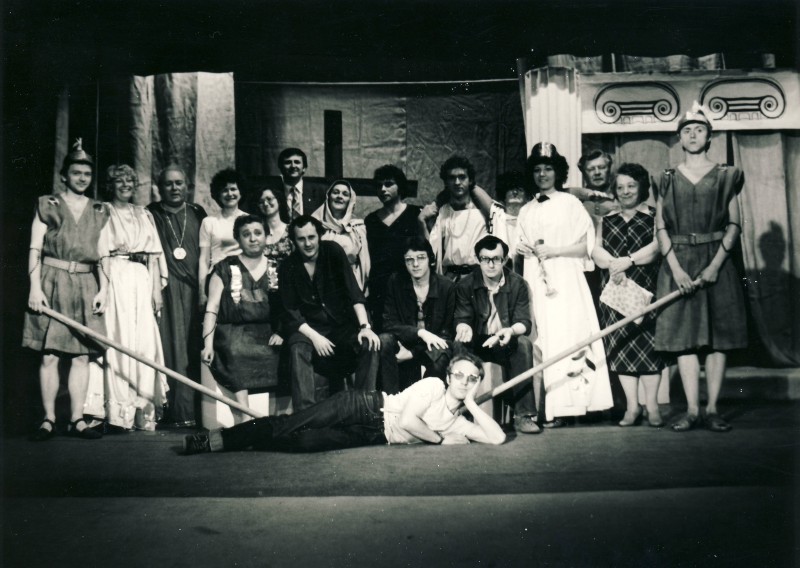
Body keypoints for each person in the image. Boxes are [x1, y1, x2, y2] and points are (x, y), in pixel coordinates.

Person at [182, 352, 506, 454]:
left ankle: (253, 440)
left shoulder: (458, 422)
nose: (464, 382)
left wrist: (472, 405)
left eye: (472, 378)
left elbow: (497, 438)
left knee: (305, 443)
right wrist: (440, 440)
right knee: (288, 424)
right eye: (459, 375)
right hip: (364, 405)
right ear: (449, 376)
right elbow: (409, 421)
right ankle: (214, 441)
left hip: (373, 434)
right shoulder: (434, 386)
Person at [654, 104, 746, 433]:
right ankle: (692, 410)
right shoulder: (665, 178)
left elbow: (734, 225)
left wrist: (715, 266)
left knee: (718, 339)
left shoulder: (726, 175)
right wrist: (677, 270)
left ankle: (713, 409)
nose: (693, 135)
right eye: (687, 130)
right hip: (678, 262)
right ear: (679, 138)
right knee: (684, 339)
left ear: (709, 137)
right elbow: (661, 227)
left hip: (716, 261)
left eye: (699, 130)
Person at [516, 142, 613, 425]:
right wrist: (521, 248)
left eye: (548, 168)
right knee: (542, 338)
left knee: (567, 334)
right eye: (537, 169)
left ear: (557, 172)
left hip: (567, 279)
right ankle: (547, 408)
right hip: (536, 279)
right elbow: (520, 242)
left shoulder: (570, 203)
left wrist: (555, 250)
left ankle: (575, 406)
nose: (542, 174)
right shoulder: (526, 210)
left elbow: (586, 245)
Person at [23, 138, 108, 440]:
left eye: (87, 173)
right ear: (64, 175)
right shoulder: (48, 204)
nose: (82, 178)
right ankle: (48, 419)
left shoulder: (100, 209)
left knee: (81, 356)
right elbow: (35, 249)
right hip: (52, 281)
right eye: (76, 173)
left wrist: (103, 290)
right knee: (50, 355)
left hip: (86, 284)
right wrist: (35, 288)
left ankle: (77, 419)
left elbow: (104, 256)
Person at [278, 215, 380, 410]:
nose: (308, 243)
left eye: (311, 237)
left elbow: (354, 292)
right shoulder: (288, 266)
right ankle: (306, 414)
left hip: (341, 328)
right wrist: (315, 337)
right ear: (294, 241)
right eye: (301, 239)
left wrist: (365, 327)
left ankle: (364, 407)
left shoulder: (333, 251)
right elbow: (290, 312)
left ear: (319, 236)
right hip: (309, 330)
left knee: (369, 342)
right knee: (297, 346)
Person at [96, 164, 169, 431]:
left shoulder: (143, 214)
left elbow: (154, 256)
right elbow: (101, 254)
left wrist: (156, 292)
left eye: (130, 180)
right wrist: (104, 288)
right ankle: (119, 412)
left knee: (144, 342)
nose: (126, 184)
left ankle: (142, 408)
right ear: (110, 185)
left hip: (141, 277)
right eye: (119, 180)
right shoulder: (103, 211)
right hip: (116, 276)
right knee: (120, 337)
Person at [592, 163, 665, 427]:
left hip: (646, 291)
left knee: (648, 348)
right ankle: (633, 407)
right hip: (615, 292)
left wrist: (629, 261)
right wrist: (613, 265)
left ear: (641, 187)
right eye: (620, 187)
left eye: (631, 186)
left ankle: (652, 407)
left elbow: (657, 248)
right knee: (621, 347)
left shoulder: (654, 216)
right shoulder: (607, 219)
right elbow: (595, 251)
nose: (625, 191)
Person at [454, 235, 539, 434]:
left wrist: (510, 330)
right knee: (459, 345)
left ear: (505, 259)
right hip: (478, 340)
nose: (491, 265)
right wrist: (463, 326)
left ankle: (523, 416)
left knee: (524, 345)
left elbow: (524, 322)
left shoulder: (518, 283)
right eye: (485, 259)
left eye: (496, 259)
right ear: (477, 259)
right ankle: (459, 414)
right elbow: (462, 317)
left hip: (504, 339)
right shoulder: (465, 285)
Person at [201, 215, 282, 424]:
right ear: (237, 239)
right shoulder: (224, 268)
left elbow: (288, 308)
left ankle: (280, 421)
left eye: (258, 233)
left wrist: (282, 332)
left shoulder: (278, 268)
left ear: (267, 236)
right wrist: (207, 344)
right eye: (246, 234)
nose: (253, 239)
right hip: (234, 330)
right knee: (234, 350)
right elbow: (212, 307)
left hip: (269, 331)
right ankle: (246, 418)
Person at [147, 165, 207, 428]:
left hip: (195, 291)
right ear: (160, 188)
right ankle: (173, 411)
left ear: (187, 186)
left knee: (193, 348)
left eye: (179, 183)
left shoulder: (197, 212)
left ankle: (197, 411)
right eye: (168, 184)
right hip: (165, 290)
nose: (174, 188)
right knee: (169, 347)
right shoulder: (150, 213)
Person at [379, 237, 454, 394]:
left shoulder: (446, 286)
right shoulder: (396, 282)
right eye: (409, 260)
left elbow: (447, 333)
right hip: (406, 342)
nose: (415, 264)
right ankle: (391, 401)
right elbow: (388, 323)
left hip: (432, 346)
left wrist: (413, 354)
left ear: (430, 259)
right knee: (384, 340)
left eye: (421, 258)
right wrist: (420, 333)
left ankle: (426, 402)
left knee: (440, 357)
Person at [364, 165, 423, 331]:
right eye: (379, 185)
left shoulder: (416, 214)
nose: (383, 189)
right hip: (379, 287)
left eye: (388, 184)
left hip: (407, 283)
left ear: (400, 186)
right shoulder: (371, 220)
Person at [421, 156, 491, 281]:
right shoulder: (444, 211)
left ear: (470, 180)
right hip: (451, 279)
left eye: (462, 177)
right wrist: (421, 221)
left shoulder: (483, 211)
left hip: (478, 278)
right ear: (446, 182)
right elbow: (430, 251)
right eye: (452, 178)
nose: (457, 182)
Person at [198, 168, 248, 306]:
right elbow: (204, 260)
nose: (230, 194)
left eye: (233, 189)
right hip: (217, 278)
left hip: (244, 278)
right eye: (225, 190)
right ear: (218, 194)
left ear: (240, 191)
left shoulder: (249, 220)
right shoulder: (209, 222)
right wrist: (201, 292)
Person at [312, 179, 370, 291]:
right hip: (321, 285)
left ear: (350, 200)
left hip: (350, 286)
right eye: (336, 192)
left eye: (345, 194)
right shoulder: (315, 226)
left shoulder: (358, 228)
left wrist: (359, 292)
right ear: (328, 197)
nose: (340, 196)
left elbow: (365, 265)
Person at [278, 147, 327, 220]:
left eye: (297, 162)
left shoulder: (320, 192)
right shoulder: (273, 192)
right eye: (288, 162)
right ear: (280, 167)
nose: (293, 166)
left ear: (304, 168)